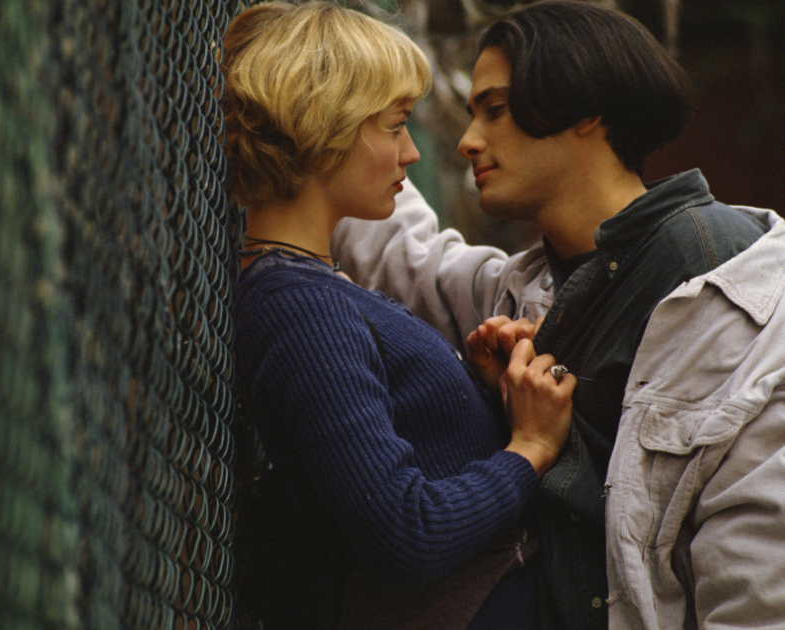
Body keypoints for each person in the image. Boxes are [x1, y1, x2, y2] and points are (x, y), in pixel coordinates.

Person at [331, 1, 785, 629]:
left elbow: (758, 569)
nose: (467, 141)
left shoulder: (729, 287)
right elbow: (406, 259)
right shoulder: (524, 292)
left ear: (586, 109)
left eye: (496, 110)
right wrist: (328, 108)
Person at [222, 3, 577, 629]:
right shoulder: (302, 308)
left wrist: (491, 392)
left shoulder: (315, 287)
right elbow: (410, 532)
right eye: (394, 127)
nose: (412, 153)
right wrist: (530, 448)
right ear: (324, 126)